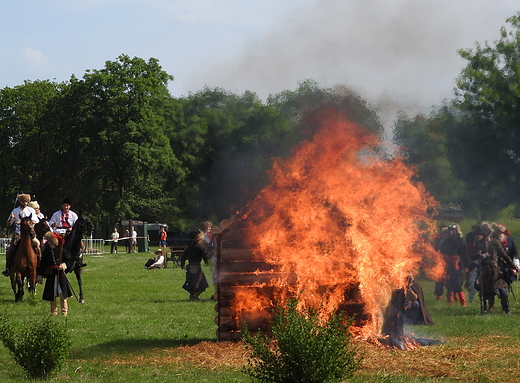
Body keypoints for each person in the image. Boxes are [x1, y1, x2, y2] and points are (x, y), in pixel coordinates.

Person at [472, 222, 519, 314]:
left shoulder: (495, 242)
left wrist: (513, 266)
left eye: (487, 231)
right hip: (484, 271)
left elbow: (504, 255)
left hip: (495, 270)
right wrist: (477, 254)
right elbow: (472, 257)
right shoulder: (478, 244)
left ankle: (506, 310)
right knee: (484, 292)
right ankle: (484, 310)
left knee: (503, 291)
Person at [36, 231, 74, 316]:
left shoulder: (60, 249)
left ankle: (64, 311)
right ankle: (54, 312)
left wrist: (63, 265)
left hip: (60, 274)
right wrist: (40, 276)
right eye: (47, 239)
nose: (48, 240)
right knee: (51, 294)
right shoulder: (46, 251)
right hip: (51, 274)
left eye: (49, 239)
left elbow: (69, 260)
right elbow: (42, 264)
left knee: (62, 293)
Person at [2, 194, 40, 276]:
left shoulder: (31, 210)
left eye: (26, 201)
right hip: (18, 234)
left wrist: (28, 222)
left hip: (30, 234)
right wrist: (11, 218)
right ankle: (8, 268)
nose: (25, 203)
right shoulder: (15, 211)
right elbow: (8, 224)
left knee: (37, 246)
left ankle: (39, 266)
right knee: (10, 249)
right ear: (20, 201)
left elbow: (36, 221)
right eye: (23, 201)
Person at [435, 223, 468, 306]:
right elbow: (442, 253)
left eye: (452, 231)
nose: (450, 233)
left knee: (457, 282)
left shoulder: (460, 241)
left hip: (457, 264)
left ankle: (462, 301)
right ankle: (450, 301)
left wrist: (466, 265)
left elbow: (464, 254)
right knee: (448, 282)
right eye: (450, 231)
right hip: (447, 264)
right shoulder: (446, 242)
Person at [180, 231, 209, 300]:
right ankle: (195, 295)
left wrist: (182, 264)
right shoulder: (201, 247)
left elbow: (183, 257)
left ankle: (192, 296)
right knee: (203, 285)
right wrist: (208, 263)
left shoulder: (189, 247)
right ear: (199, 239)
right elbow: (205, 257)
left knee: (192, 284)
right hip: (197, 268)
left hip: (189, 267)